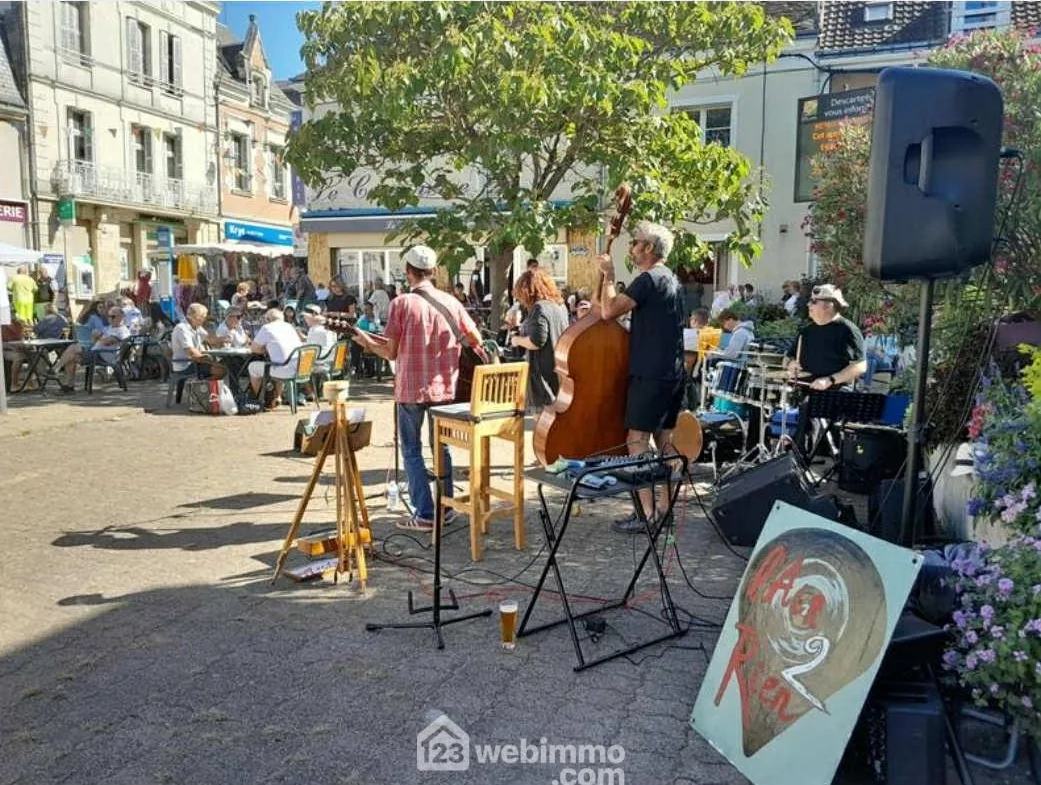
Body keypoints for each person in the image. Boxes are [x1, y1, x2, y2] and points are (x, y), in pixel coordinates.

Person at [351, 244, 481, 532]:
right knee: (441, 449)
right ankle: (446, 508)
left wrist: (366, 343)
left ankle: (424, 513)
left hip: (411, 389)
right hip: (446, 388)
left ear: (408, 272)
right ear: (433, 272)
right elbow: (475, 338)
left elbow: (391, 353)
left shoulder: (402, 303)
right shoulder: (450, 301)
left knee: (411, 450)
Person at [597, 220, 685, 533]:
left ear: (648, 248)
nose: (632, 247)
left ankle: (646, 516)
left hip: (649, 374)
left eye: (635, 242)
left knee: (636, 441)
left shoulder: (647, 279)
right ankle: (665, 508)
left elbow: (609, 311)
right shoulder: (672, 279)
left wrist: (609, 275)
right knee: (665, 442)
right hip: (672, 372)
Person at [784, 284, 867, 456]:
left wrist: (830, 380)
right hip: (806, 389)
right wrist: (790, 364)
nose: (809, 305)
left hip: (837, 391)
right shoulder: (806, 331)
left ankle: (804, 458)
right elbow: (788, 357)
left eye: (814, 302)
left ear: (829, 305)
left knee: (810, 407)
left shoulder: (848, 330)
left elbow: (860, 366)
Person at [509, 268, 570, 409]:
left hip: (542, 373)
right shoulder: (560, 306)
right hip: (559, 369)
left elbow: (536, 342)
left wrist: (516, 340)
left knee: (542, 422)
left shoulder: (539, 308)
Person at [55, 305, 132, 391]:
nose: (110, 319)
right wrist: (96, 337)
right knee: (71, 356)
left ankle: (56, 369)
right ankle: (69, 385)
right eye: (109, 316)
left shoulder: (122, 331)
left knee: (73, 348)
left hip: (103, 356)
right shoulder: (111, 327)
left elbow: (107, 342)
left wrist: (98, 336)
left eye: (113, 316)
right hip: (97, 353)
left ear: (121, 317)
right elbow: (97, 342)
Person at [248, 308, 304, 407]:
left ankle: (256, 400)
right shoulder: (289, 326)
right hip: (300, 368)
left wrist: (265, 350)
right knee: (279, 360)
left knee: (253, 367)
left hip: (284, 369)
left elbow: (254, 348)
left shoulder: (267, 328)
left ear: (268, 319)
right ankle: (277, 397)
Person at [170, 303, 225, 380]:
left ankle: (204, 388)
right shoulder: (182, 328)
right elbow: (192, 353)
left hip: (195, 362)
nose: (204, 319)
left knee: (224, 365)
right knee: (220, 370)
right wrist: (210, 361)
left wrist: (223, 339)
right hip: (185, 365)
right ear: (196, 317)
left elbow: (209, 339)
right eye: (203, 317)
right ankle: (202, 389)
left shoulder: (196, 326)